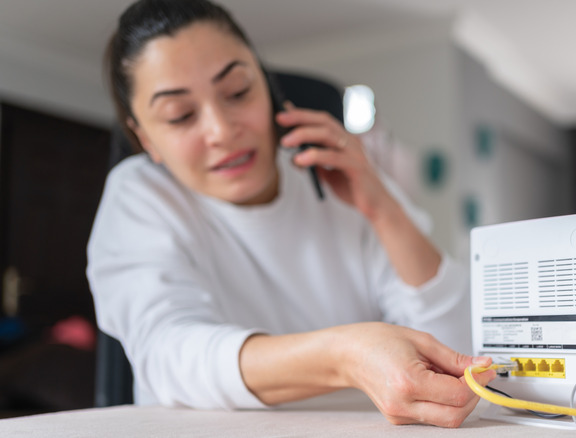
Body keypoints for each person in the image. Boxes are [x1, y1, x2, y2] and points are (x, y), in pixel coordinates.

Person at [87, 0, 495, 428]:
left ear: (267, 87)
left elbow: (459, 349)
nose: (222, 131)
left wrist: (384, 210)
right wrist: (344, 356)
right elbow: (170, 352)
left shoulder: (337, 174)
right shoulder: (140, 194)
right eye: (180, 115)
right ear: (144, 137)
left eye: (239, 92)